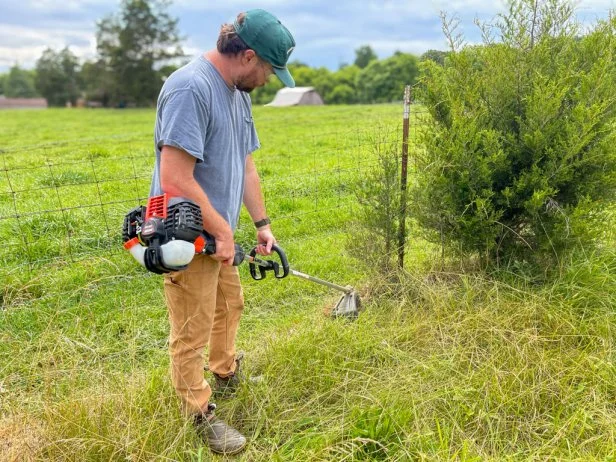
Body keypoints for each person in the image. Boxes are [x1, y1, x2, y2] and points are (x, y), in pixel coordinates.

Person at [148, 9, 296, 455]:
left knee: (229, 304)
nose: (270, 78)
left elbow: (245, 163)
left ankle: (225, 371)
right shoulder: (190, 88)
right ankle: (198, 414)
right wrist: (222, 231)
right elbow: (175, 177)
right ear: (247, 56)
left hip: (219, 233)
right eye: (270, 69)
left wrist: (262, 225)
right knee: (191, 329)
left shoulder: (238, 92)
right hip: (185, 235)